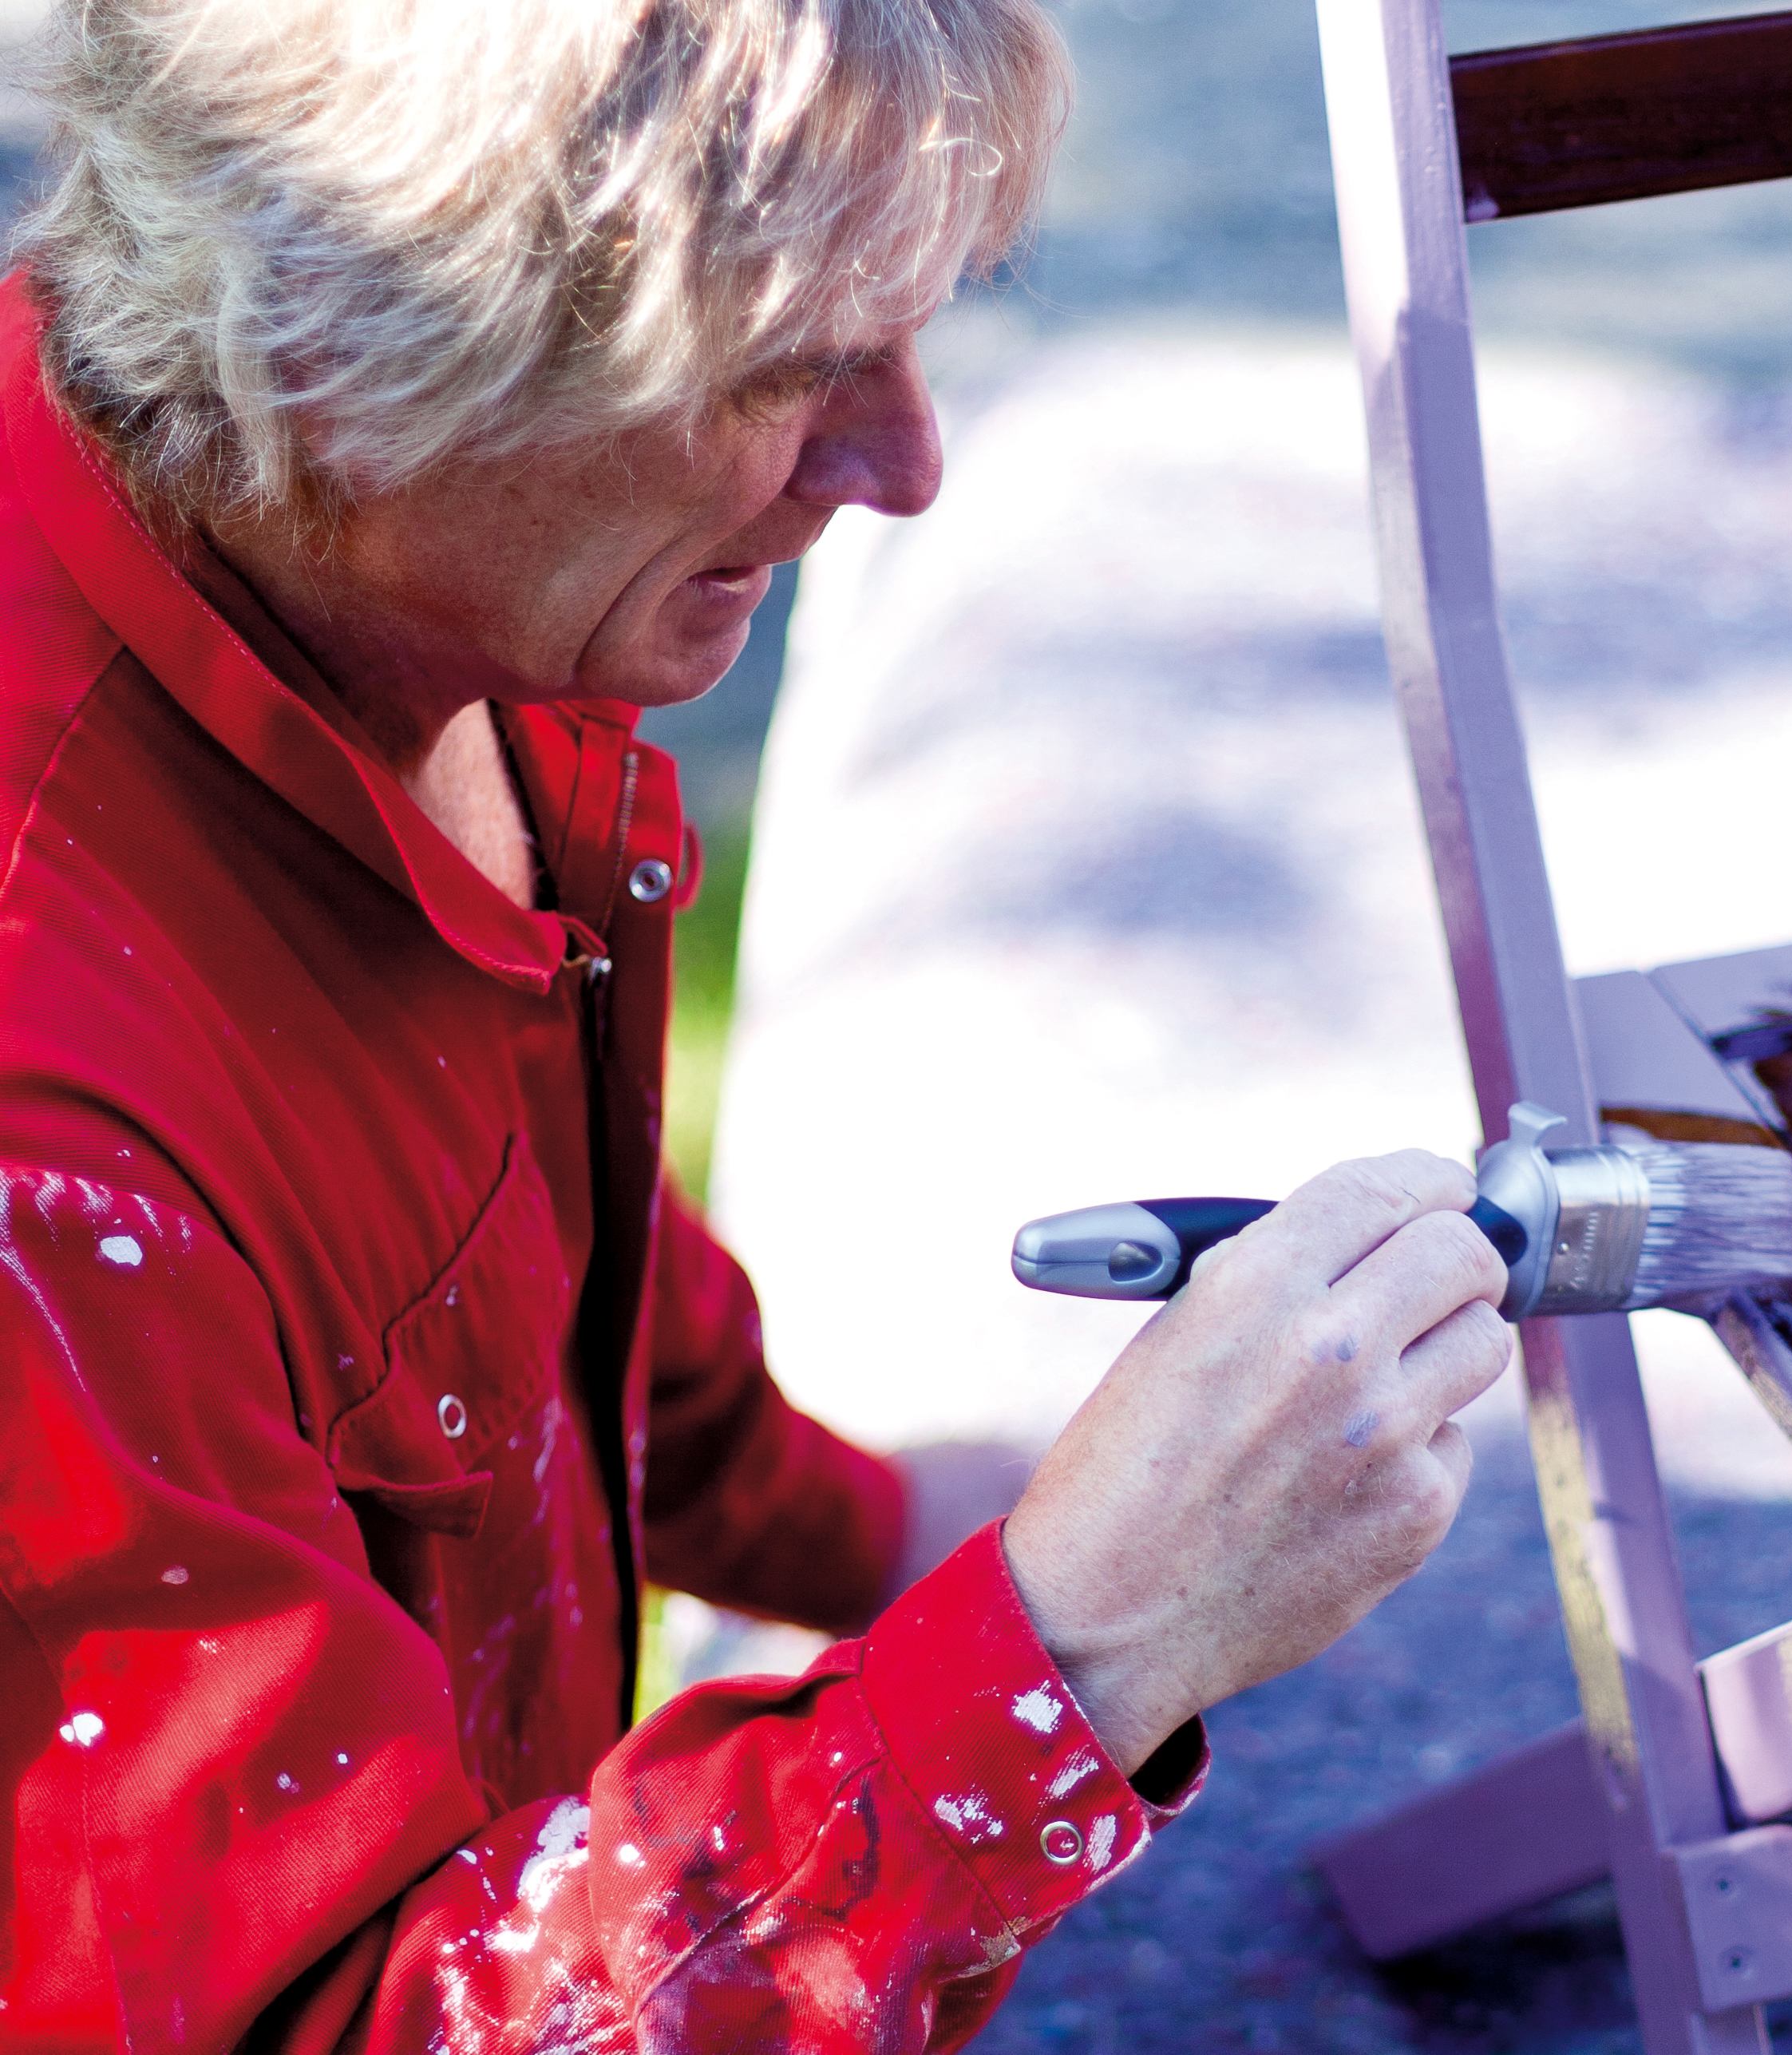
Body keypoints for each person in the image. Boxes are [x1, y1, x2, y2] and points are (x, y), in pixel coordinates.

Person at [0, 0, 1515, 2045]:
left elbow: (494, 1228)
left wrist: (859, 1525)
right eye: (790, 372)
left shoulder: (381, 548)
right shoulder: (50, 1155)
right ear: (336, 362)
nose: (905, 469)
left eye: (911, 334)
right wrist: (1080, 1647)